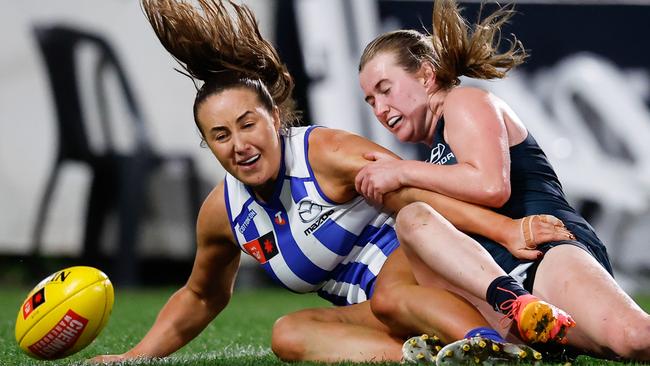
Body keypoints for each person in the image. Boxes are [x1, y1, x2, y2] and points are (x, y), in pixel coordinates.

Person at [90, 0, 575, 363]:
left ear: (275, 118)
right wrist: (133, 358)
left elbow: (422, 197)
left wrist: (506, 231)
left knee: (391, 295)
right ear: (208, 145)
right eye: (220, 135)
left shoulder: (324, 152)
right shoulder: (223, 212)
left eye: (247, 124)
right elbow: (201, 294)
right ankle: (427, 357)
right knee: (287, 335)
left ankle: (494, 347)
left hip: (434, 277)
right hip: (374, 311)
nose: (238, 143)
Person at [356, 0, 650, 361]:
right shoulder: (433, 156)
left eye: (385, 89)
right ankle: (512, 335)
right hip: (496, 283)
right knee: (412, 220)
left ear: (427, 75)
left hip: (543, 251)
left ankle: (518, 315)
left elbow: (492, 187)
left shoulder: (463, 101)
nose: (380, 109)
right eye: (370, 100)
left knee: (634, 338)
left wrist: (400, 171)